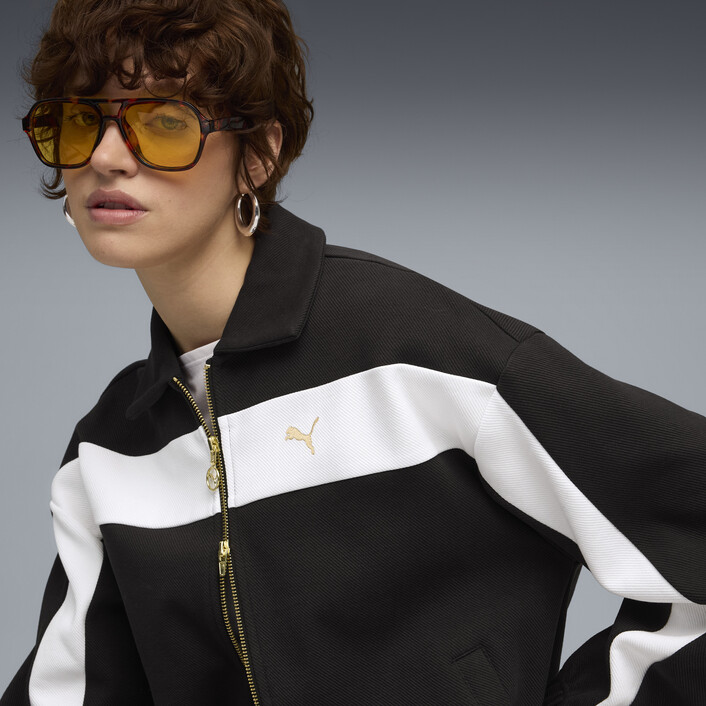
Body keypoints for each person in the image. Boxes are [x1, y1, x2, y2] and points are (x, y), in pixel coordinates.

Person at [3, 0, 706, 704]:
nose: (104, 158)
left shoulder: (414, 355)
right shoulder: (108, 454)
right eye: (80, 122)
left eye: (163, 123)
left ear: (258, 154)